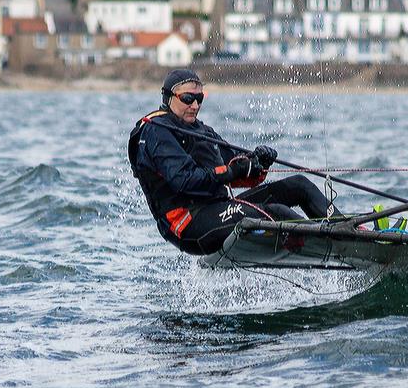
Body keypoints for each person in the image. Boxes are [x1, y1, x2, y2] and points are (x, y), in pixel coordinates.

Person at [128, 69, 341, 256]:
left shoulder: (201, 130)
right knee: (275, 212)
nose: (194, 105)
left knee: (298, 185)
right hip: (188, 223)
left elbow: (236, 170)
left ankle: (346, 231)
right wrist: (229, 171)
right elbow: (185, 180)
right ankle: (331, 246)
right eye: (187, 98)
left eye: (199, 98)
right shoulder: (156, 131)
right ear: (168, 98)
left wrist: (257, 163)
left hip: (219, 209)